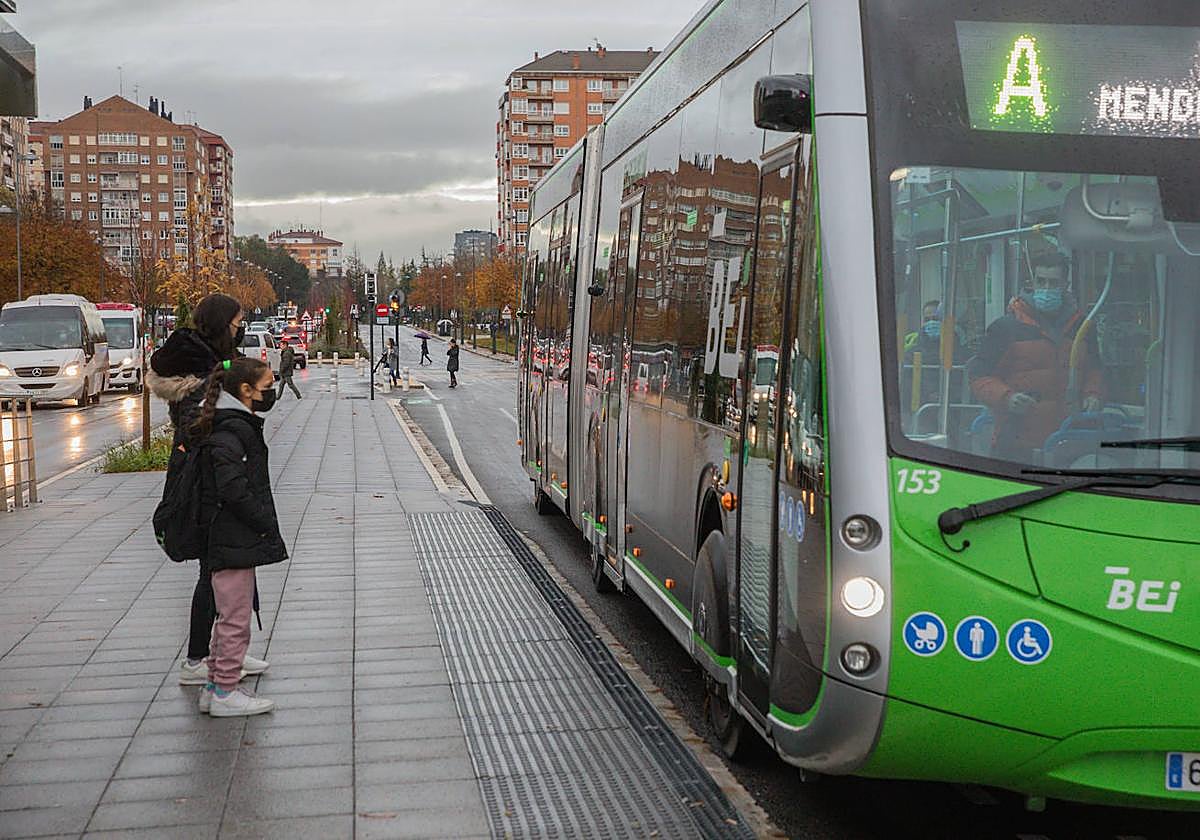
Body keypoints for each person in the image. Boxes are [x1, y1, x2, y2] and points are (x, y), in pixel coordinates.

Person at [147, 294, 270, 687]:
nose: (242, 328)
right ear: (221, 324)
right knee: (213, 570)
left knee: (229, 566)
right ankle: (199, 658)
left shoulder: (210, 363)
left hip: (212, 479)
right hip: (208, 484)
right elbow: (201, 430)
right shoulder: (199, 375)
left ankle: (223, 652)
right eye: (237, 322)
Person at [192, 357, 288, 717]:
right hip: (231, 536)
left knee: (227, 614)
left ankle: (214, 685)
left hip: (227, 535)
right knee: (235, 618)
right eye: (267, 387)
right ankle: (225, 692)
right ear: (246, 392)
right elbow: (232, 487)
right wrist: (261, 520)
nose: (271, 393)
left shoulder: (226, 424)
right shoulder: (231, 431)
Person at [969, 252, 1104, 460]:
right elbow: (978, 376)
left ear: (1065, 285)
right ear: (1032, 282)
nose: (1046, 289)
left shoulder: (1082, 328)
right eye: (1041, 281)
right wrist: (1006, 397)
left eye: (1053, 283)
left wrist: (1092, 393)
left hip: (1067, 439)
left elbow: (1093, 368)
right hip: (1015, 441)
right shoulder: (1006, 328)